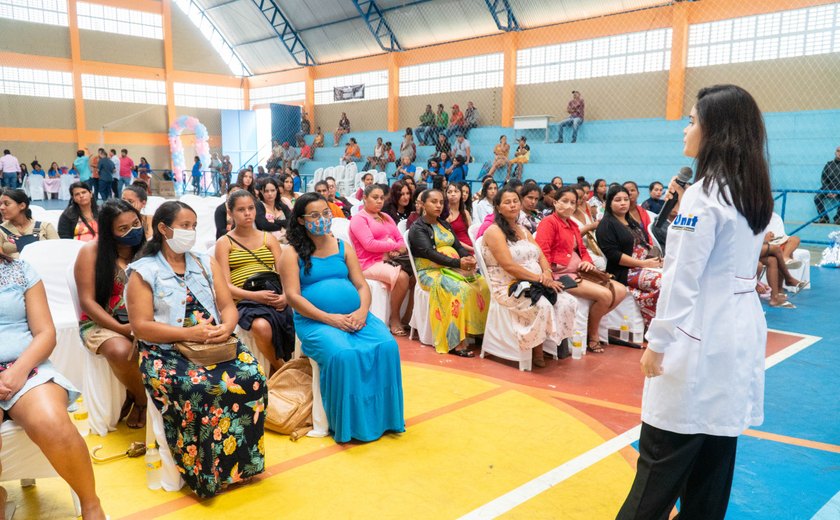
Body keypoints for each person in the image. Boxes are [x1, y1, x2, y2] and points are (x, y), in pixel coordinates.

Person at [617, 85, 779, 520]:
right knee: (711, 473)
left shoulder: (705, 194)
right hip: (736, 334)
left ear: (715, 131)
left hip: (696, 337)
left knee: (656, 472)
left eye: (691, 120)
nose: (685, 130)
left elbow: (681, 279)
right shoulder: (751, 189)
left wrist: (658, 341)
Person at [125, 201, 266, 498]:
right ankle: (205, 474)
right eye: (184, 226)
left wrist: (226, 328)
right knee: (201, 389)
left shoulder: (204, 262)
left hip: (214, 342)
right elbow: (142, 327)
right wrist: (190, 333)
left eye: (193, 226)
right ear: (163, 229)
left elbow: (227, 306)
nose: (190, 231)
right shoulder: (144, 271)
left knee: (253, 377)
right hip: (167, 351)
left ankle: (244, 466)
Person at [280, 193, 405, 442]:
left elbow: (361, 285)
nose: (322, 219)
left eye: (326, 213)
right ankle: (350, 425)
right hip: (316, 321)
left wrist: (361, 312)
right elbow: (293, 297)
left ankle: (385, 419)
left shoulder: (341, 246)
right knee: (344, 355)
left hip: (356, 317)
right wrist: (330, 319)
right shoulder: (291, 253)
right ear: (302, 221)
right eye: (314, 216)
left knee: (387, 346)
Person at [0, 252, 108, 519]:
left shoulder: (21, 270)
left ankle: (90, 504)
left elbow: (46, 332)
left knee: (52, 422)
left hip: (25, 366)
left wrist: (18, 371)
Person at [482, 188, 577, 367]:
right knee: (542, 304)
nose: (512, 205)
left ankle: (553, 342)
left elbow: (541, 255)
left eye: (515, 201)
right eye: (507, 202)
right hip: (509, 285)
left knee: (567, 301)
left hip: (535, 279)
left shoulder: (523, 229)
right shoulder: (493, 231)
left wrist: (547, 273)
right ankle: (536, 347)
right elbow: (508, 266)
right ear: (498, 207)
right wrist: (540, 279)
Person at [75, 200, 148, 429]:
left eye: (135, 224)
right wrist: (122, 329)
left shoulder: (149, 250)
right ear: (109, 232)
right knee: (120, 350)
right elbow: (87, 303)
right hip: (102, 322)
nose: (132, 231)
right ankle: (142, 400)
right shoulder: (92, 252)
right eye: (123, 229)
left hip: (144, 320)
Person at [537, 187, 626, 352]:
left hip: (579, 271)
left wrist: (587, 262)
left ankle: (592, 323)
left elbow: (583, 252)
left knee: (621, 290)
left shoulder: (572, 225)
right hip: (560, 274)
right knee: (606, 295)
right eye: (564, 201)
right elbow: (543, 252)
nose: (569, 206)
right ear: (555, 203)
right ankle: (593, 336)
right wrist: (548, 274)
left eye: (572, 202)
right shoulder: (548, 222)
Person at [215, 191, 294, 373]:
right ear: (231, 212)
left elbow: (285, 274)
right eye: (241, 209)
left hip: (273, 292)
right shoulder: (225, 242)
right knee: (261, 326)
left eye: (250, 208)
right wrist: (255, 296)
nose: (248, 213)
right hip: (245, 297)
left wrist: (285, 296)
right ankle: (281, 368)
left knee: (296, 318)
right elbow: (225, 286)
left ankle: (279, 368)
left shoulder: (268, 238)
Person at [408, 189, 490, 356]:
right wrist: (458, 262)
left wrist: (467, 258)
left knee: (483, 285)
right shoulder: (418, 228)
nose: (438, 205)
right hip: (430, 272)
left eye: (440, 202)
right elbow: (429, 254)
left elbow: (457, 246)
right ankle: (456, 342)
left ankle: (477, 332)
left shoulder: (444, 224)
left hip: (452, 268)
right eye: (433, 202)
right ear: (423, 204)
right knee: (458, 289)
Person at [350, 184, 414, 335]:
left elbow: (401, 241)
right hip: (368, 263)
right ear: (364, 198)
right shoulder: (359, 219)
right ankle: (394, 318)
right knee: (402, 277)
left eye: (381, 198)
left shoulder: (386, 217)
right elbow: (369, 244)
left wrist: (395, 248)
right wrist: (390, 247)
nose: (379, 201)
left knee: (415, 276)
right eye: (375, 198)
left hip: (390, 260)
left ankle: (408, 317)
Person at [596, 186, 662, 328]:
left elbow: (643, 245)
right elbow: (613, 255)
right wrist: (643, 264)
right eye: (618, 200)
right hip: (624, 271)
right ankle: (652, 326)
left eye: (626, 199)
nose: (623, 203)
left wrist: (655, 260)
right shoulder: (606, 224)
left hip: (642, 265)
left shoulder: (630, 221)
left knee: (672, 276)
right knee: (661, 281)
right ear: (609, 203)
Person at [0, 189, 59, 258]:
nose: (1, 207)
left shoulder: (45, 226)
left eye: (7, 204)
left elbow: (58, 251)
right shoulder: (1, 230)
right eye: (0, 204)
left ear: (22, 206)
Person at [569, 184, 607, 271]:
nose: (581, 200)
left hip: (595, 246)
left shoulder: (583, 209)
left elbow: (593, 225)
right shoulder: (567, 215)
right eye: (578, 197)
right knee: (602, 266)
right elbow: (571, 238)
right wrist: (590, 227)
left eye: (583, 197)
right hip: (582, 251)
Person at [256, 177, 291, 243]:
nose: (270, 194)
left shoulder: (281, 205)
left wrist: (275, 221)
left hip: (286, 241)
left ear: (276, 190)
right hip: (267, 242)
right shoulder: (258, 205)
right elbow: (264, 225)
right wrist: (282, 227)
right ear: (261, 191)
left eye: (272, 190)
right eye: (266, 191)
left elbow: (292, 221)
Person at [814, 146, 840, 223]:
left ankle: (838, 218)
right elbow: (824, 178)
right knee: (817, 197)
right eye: (838, 151)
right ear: (835, 153)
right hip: (828, 188)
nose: (839, 153)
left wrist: (837, 192)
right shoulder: (829, 164)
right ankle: (824, 217)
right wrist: (828, 190)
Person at [445, 183, 473, 253]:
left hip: (472, 247)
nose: (453, 194)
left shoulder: (465, 213)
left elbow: (471, 234)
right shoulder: (445, 215)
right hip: (458, 250)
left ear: (461, 194)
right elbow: (452, 240)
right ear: (446, 195)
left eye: (456, 191)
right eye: (449, 192)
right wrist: (473, 249)